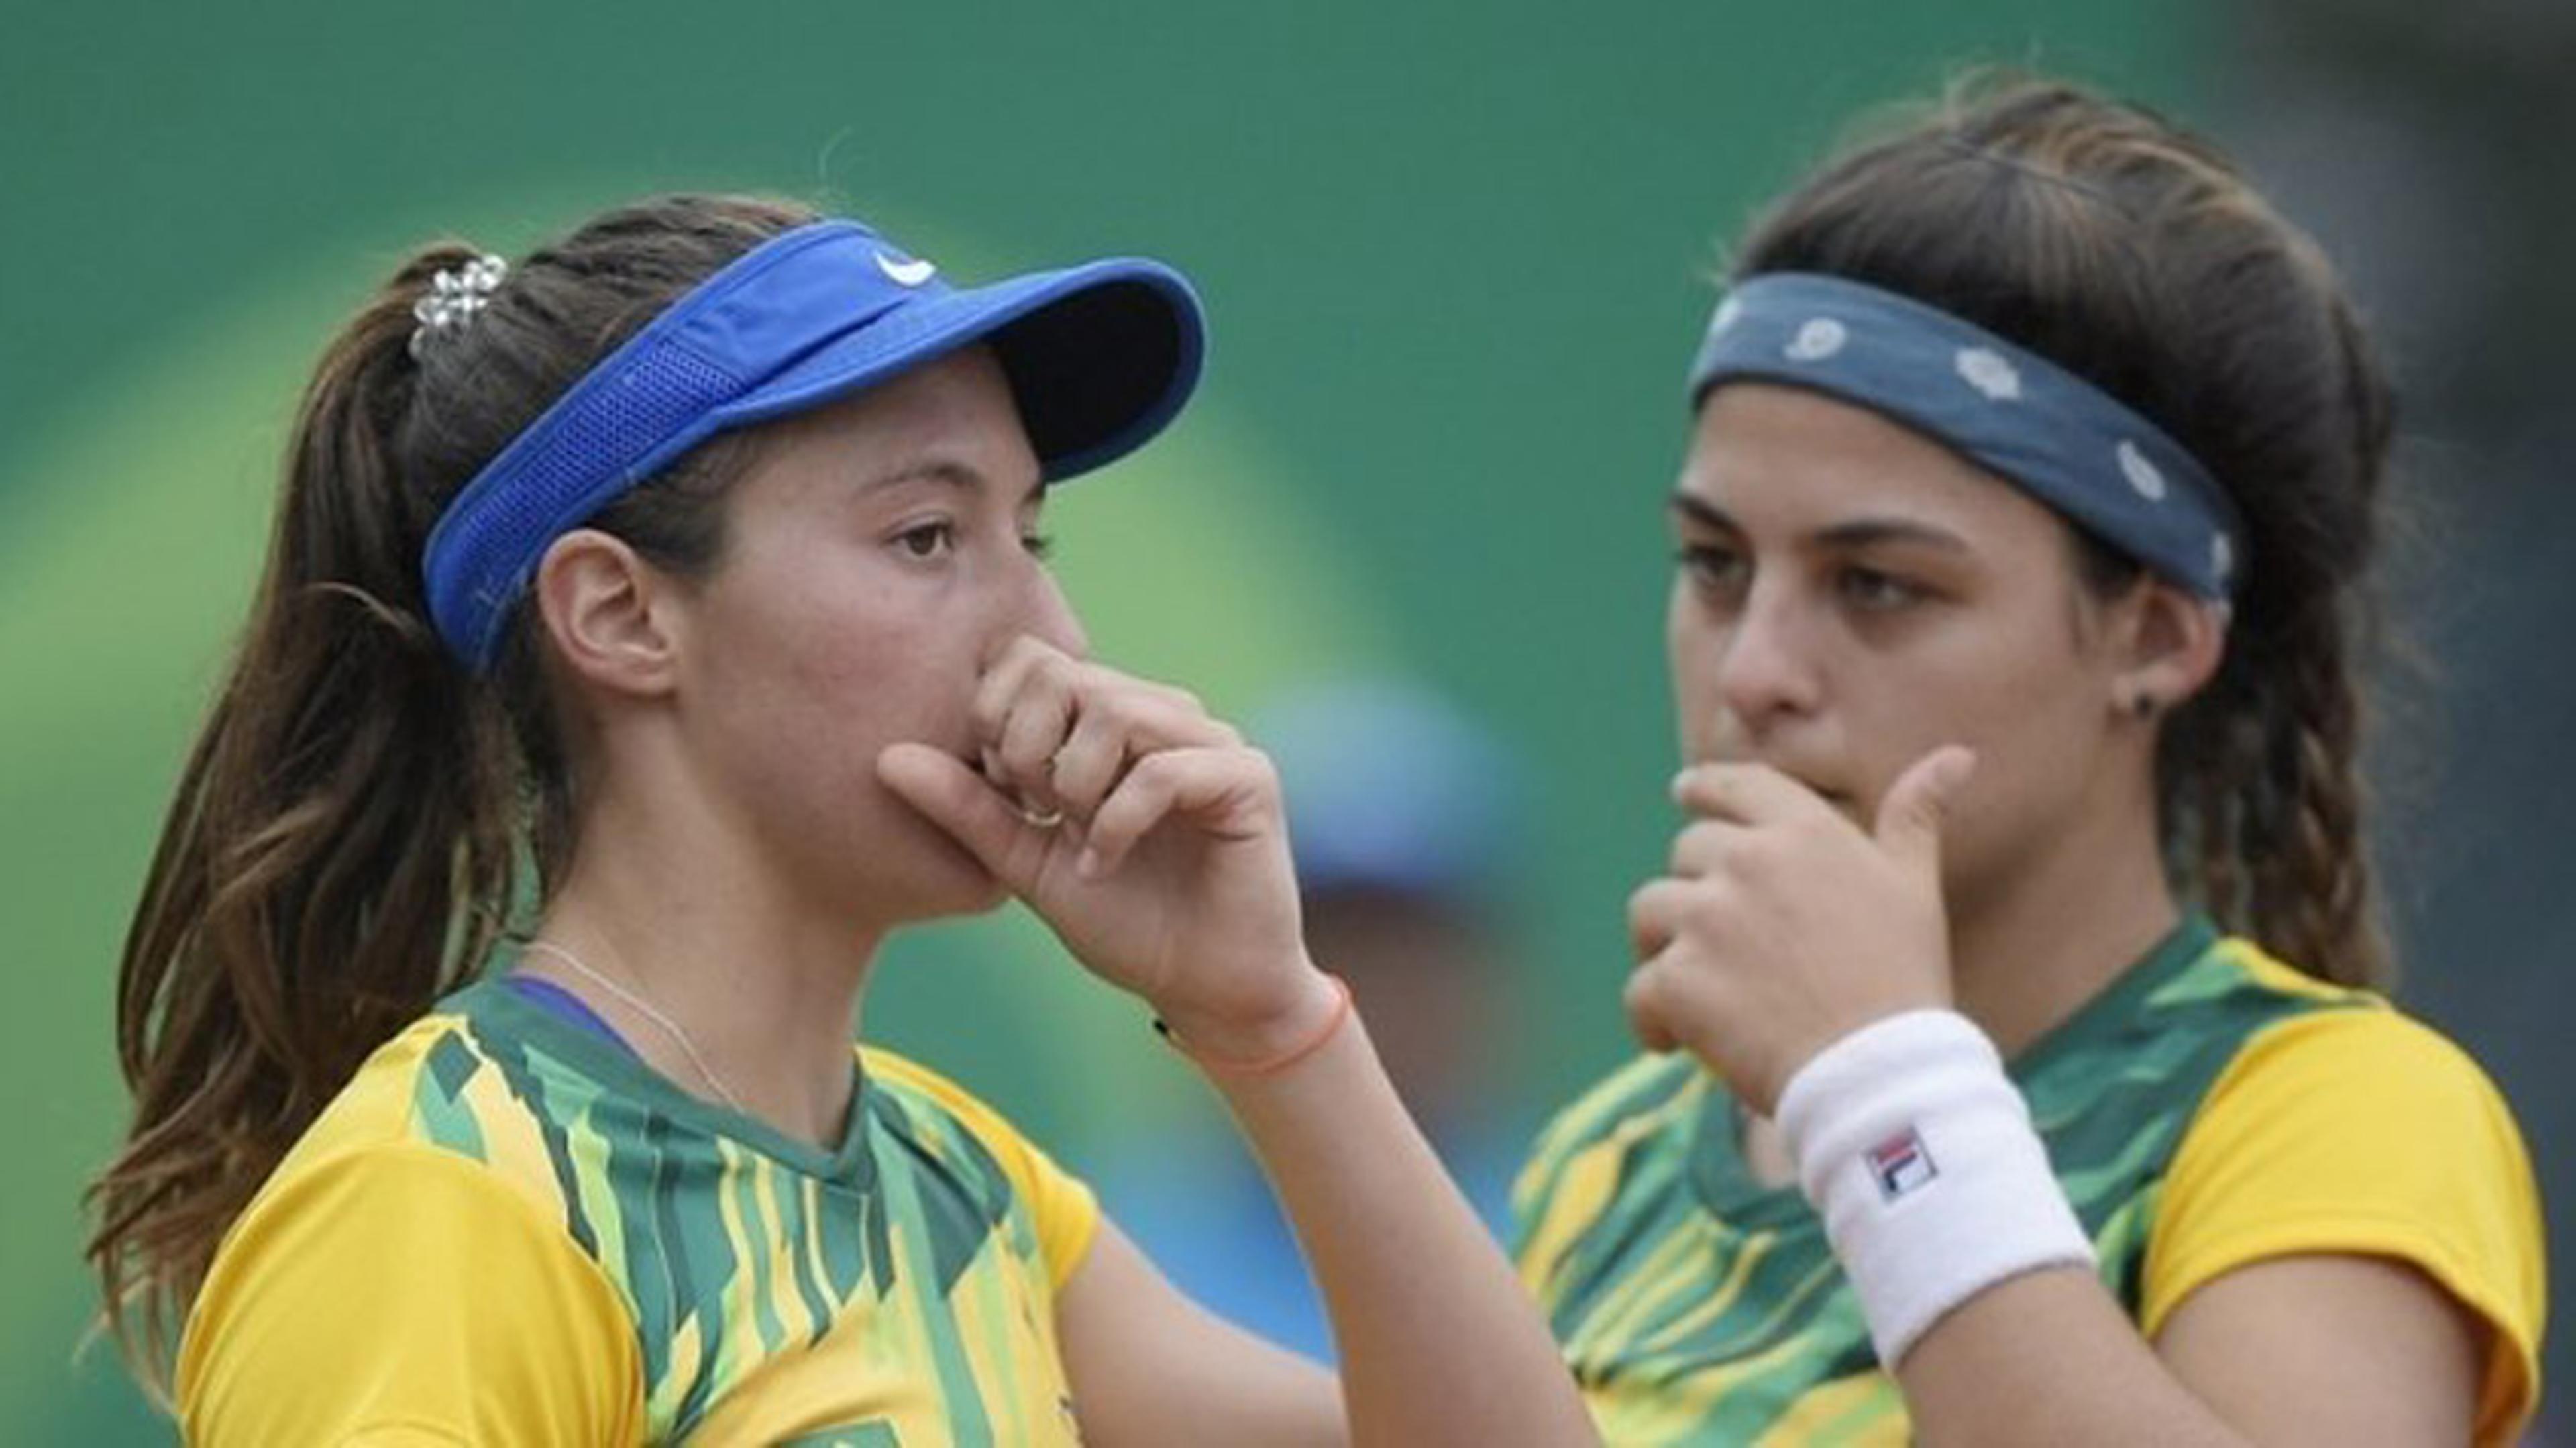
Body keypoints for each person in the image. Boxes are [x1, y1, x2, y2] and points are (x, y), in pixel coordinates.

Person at [85, 194, 1597, 1446]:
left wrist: (1267, 1017)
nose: (1052, 638)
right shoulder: (443, 1206)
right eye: (927, 535)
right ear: (620, 614)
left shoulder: (973, 1189)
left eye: (1030, 532)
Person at [1512, 78, 2546, 1445]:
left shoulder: (2343, 1116)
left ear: (2157, 636)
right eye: (1713, 563)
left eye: (1877, 583)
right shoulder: (1606, 1159)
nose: (1754, 667)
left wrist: (1876, 1084)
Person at [1106, 678, 1534, 1361]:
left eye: (1412, 944)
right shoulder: (1112, 1259)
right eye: (1330, 940)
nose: (1378, 989)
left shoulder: (1593, 1254)